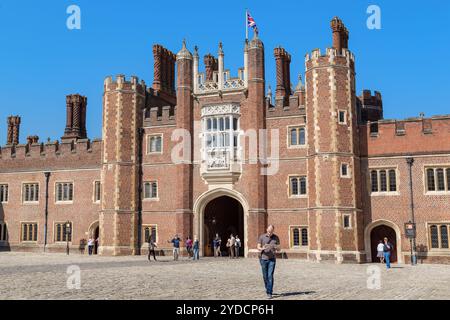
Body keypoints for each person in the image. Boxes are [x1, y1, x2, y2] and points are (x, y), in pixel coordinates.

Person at [257, 225, 280, 299]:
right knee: (265, 276)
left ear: (273, 231)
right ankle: (268, 288)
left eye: (271, 231)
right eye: (269, 231)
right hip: (263, 259)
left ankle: (269, 292)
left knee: (270, 275)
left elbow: (279, 249)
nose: (270, 233)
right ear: (267, 229)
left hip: (272, 259)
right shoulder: (262, 237)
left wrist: (276, 247)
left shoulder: (276, 237)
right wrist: (262, 248)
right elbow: (258, 247)